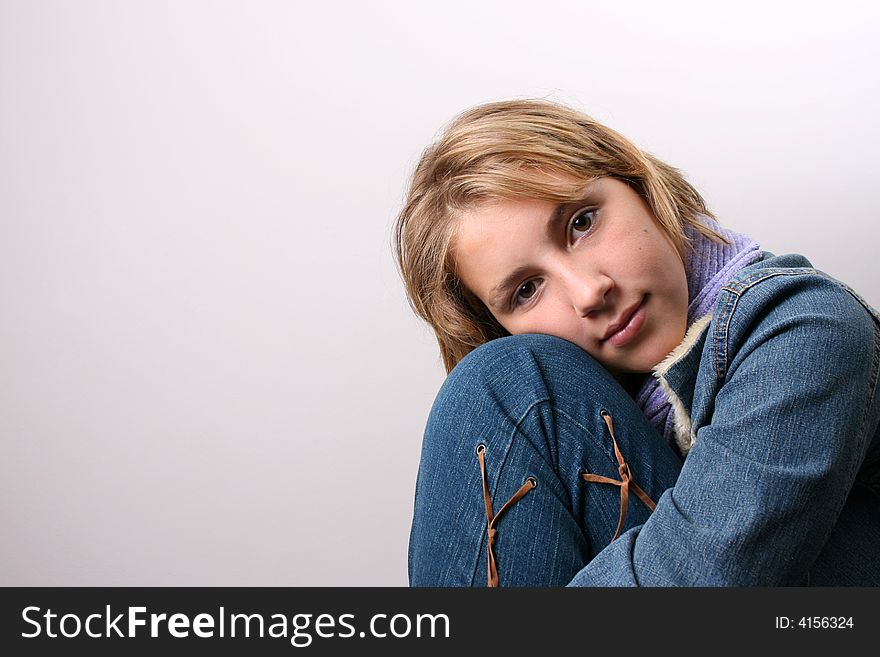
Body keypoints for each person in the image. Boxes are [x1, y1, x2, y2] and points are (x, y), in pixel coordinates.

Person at [394, 99, 880, 586]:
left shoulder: (806, 326)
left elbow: (704, 580)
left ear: (639, 186)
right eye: (527, 290)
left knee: (502, 382)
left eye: (581, 223)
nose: (589, 292)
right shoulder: (570, 411)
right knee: (496, 379)